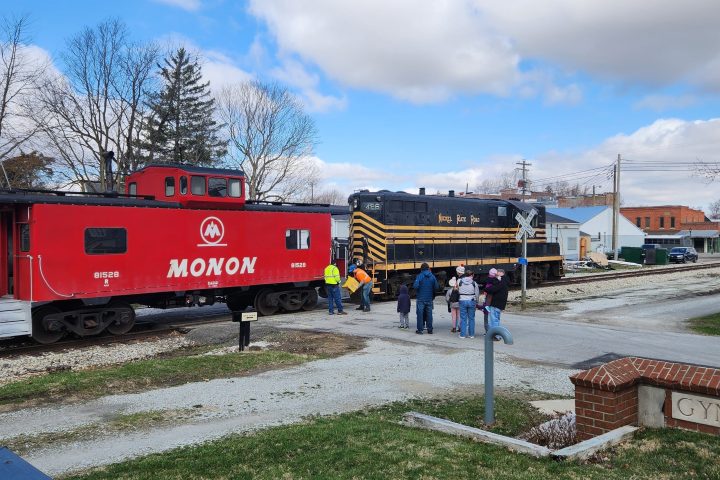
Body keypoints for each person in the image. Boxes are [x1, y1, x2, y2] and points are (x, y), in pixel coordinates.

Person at [413, 262, 439, 334]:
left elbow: (415, 286)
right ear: (428, 268)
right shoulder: (432, 276)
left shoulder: (419, 276)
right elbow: (437, 287)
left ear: (421, 269)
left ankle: (420, 330)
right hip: (429, 299)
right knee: (429, 314)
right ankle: (430, 330)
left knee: (420, 315)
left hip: (421, 298)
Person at [484, 268, 509, 341]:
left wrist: (486, 289)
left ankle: (495, 335)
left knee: (493, 320)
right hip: (501, 303)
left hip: (496, 303)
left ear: (501, 273)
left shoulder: (502, 281)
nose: (496, 275)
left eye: (497, 274)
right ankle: (497, 335)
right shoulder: (505, 280)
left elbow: (493, 289)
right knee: (497, 319)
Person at [457, 267, 479, 338]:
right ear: (472, 275)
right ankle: (471, 334)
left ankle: (462, 335)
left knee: (463, 318)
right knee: (471, 318)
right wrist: (477, 302)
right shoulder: (474, 283)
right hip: (471, 300)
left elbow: (457, 290)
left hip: (462, 300)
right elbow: (477, 294)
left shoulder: (459, 281)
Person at [480, 268, 497, 334]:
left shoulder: (487, 284)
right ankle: (492, 332)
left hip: (487, 303)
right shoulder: (497, 283)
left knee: (486, 318)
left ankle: (487, 332)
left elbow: (486, 295)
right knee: (493, 319)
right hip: (494, 303)